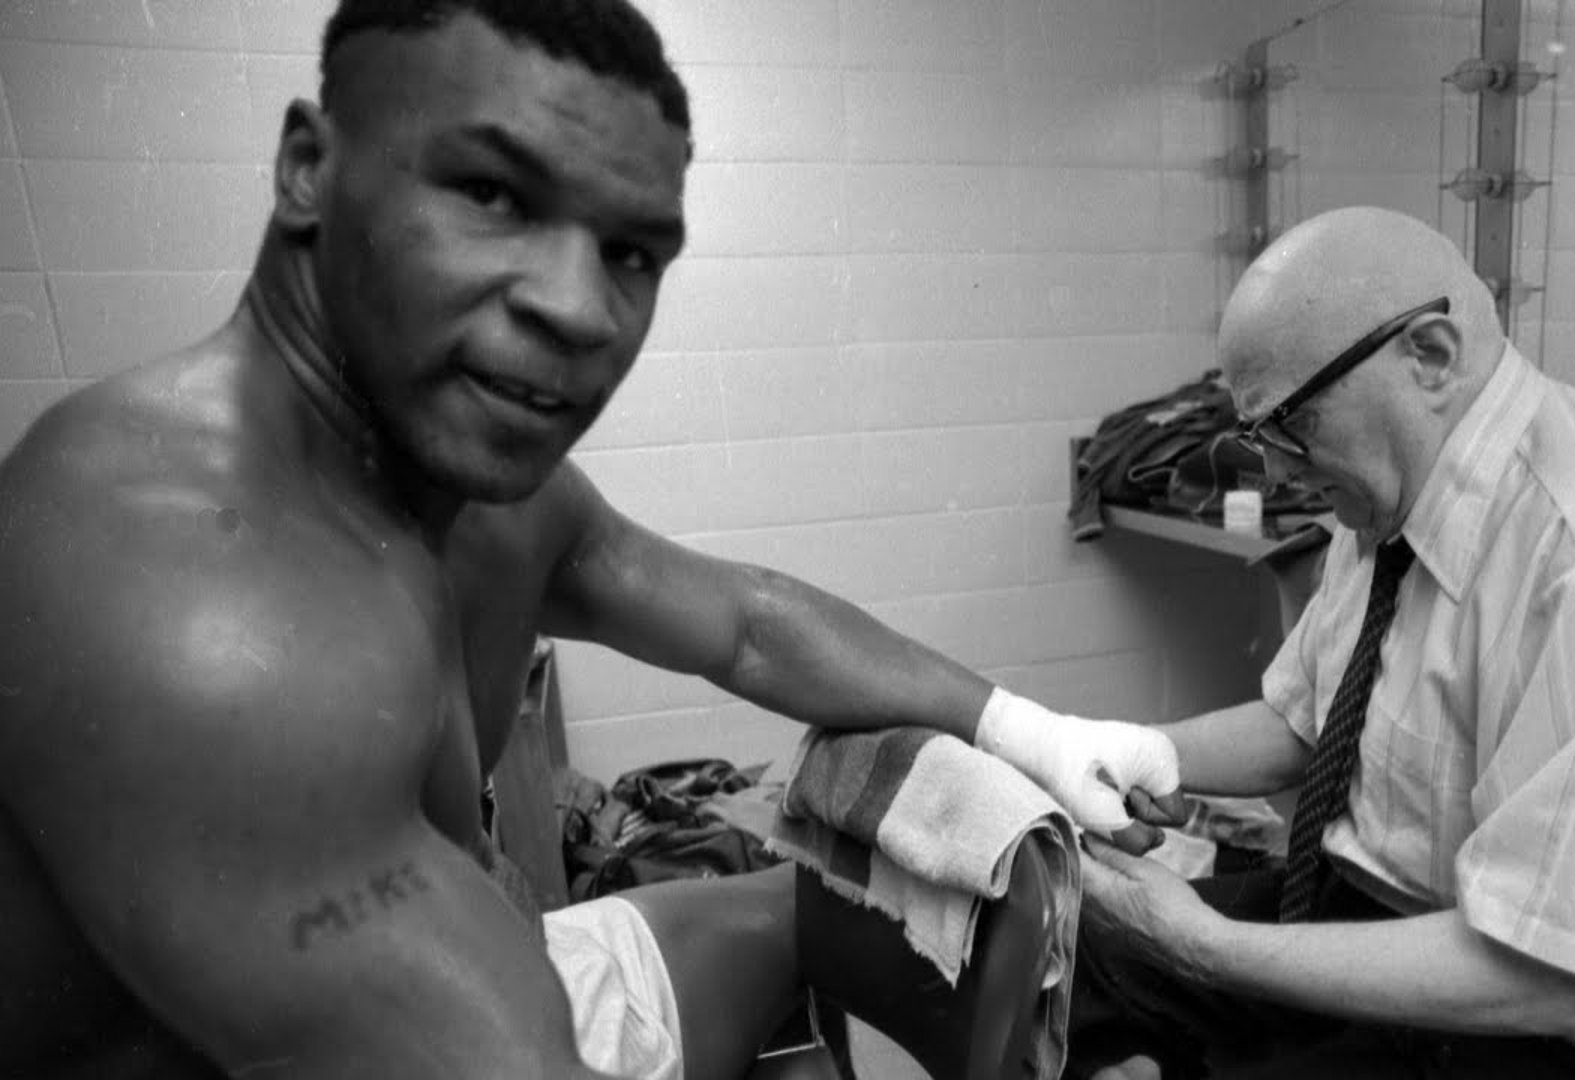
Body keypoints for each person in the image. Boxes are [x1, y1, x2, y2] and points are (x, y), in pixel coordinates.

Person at [0, 3, 1180, 1078]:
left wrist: (1037, 732)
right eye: (491, 194)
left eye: (630, 253)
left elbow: (748, 624)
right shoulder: (199, 611)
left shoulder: (480, 495)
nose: (576, 307)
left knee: (798, 914)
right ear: (310, 166)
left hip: (482, 965)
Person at [1065, 207, 1575, 1080]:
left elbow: (1561, 976)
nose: (1278, 468)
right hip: (1405, 923)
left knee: (1167, 963)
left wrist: (1203, 945)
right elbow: (1306, 724)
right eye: (1258, 435)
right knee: (1071, 949)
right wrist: (1121, 753)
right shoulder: (1386, 492)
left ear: (1432, 356)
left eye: (1288, 422)